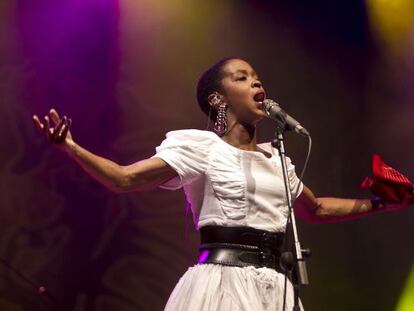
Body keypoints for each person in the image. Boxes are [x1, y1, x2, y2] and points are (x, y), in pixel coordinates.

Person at [32, 57, 405, 310]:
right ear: (218, 98)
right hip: (222, 283)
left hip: (275, 287)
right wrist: (70, 146)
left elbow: (317, 208)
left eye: (257, 77)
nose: (256, 81)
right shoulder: (201, 147)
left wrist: (381, 203)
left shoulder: (276, 157)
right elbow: (125, 179)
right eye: (241, 77)